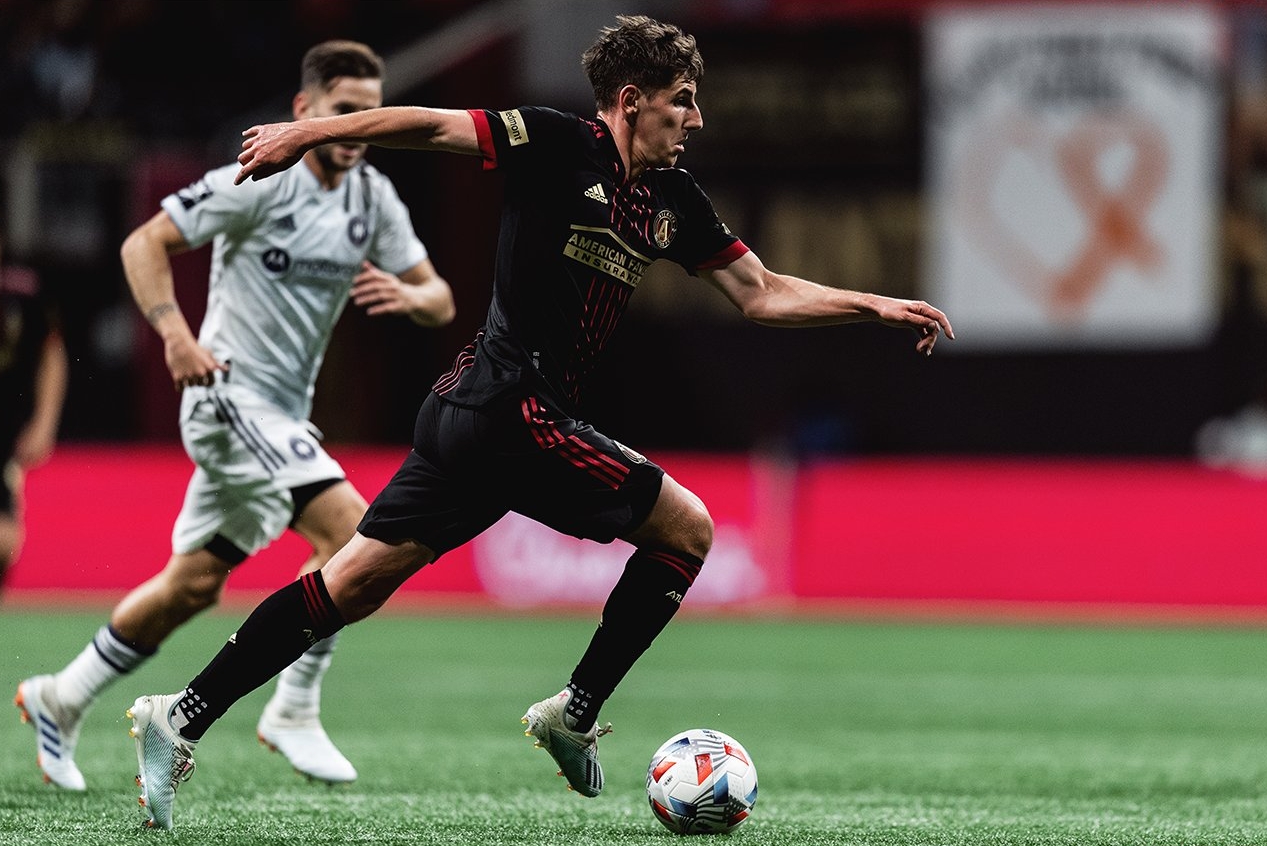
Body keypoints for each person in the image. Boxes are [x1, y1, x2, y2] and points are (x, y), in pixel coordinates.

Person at [124, 15, 953, 829]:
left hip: (472, 419)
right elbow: (429, 126)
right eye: (681, 100)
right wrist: (308, 134)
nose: (695, 118)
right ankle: (574, 712)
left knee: (350, 585)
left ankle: (180, 716)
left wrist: (872, 305)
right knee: (687, 530)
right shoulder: (555, 143)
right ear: (630, 100)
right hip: (509, 409)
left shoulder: (671, 199)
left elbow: (761, 292)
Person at [14, 39, 455, 792]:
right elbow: (144, 243)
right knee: (354, 533)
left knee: (193, 585)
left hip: (283, 418)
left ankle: (63, 695)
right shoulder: (260, 178)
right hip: (228, 398)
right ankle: (294, 707)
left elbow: (440, 298)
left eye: (368, 114)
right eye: (343, 111)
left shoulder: (372, 198)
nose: (355, 129)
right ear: (305, 109)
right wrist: (174, 334)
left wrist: (411, 295)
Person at [0, 231, 68, 595]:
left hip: (5, 427)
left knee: (4, 544)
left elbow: (52, 352)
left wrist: (44, 422)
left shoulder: (24, 292)